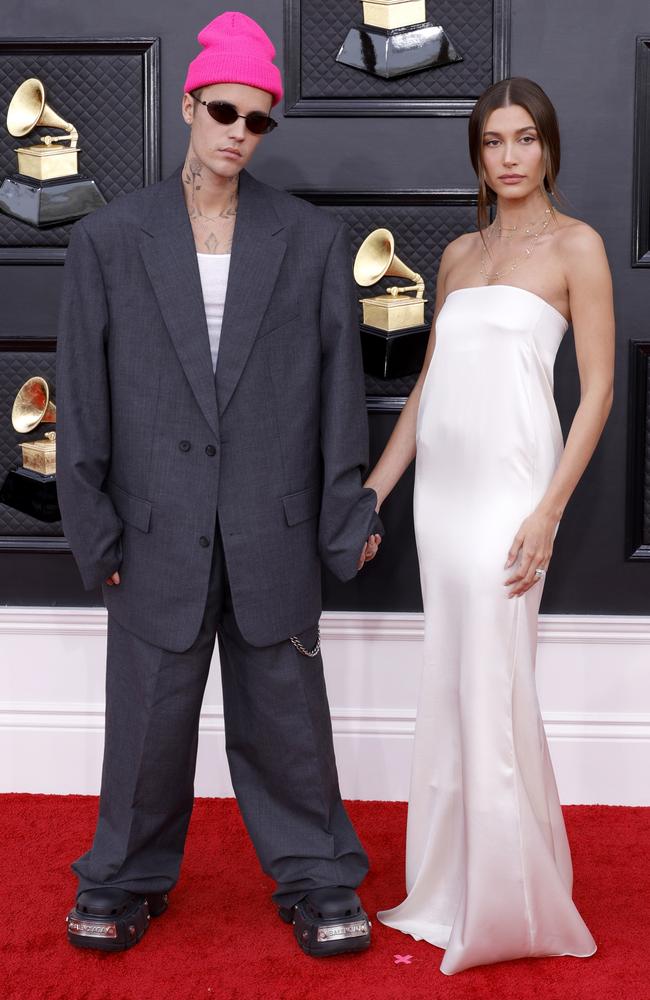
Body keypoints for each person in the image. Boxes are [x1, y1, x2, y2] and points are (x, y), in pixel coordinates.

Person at [57, 11, 382, 955]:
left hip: (273, 528)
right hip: (151, 530)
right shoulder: (111, 241)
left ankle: (319, 879)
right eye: (226, 111)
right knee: (147, 733)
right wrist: (99, 535)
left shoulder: (313, 242)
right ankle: (121, 879)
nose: (240, 131)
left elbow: (338, 402)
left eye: (260, 119)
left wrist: (336, 522)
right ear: (190, 105)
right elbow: (81, 402)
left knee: (288, 727)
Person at [366, 77, 614, 975]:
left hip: (515, 490)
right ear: (477, 155)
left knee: (496, 678)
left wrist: (549, 509)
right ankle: (449, 888)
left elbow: (598, 394)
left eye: (524, 139)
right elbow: (427, 388)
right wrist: (378, 494)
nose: (509, 157)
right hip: (444, 497)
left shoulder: (578, 247)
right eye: (493, 143)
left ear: (548, 146)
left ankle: (509, 906)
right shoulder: (458, 256)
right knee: (450, 680)